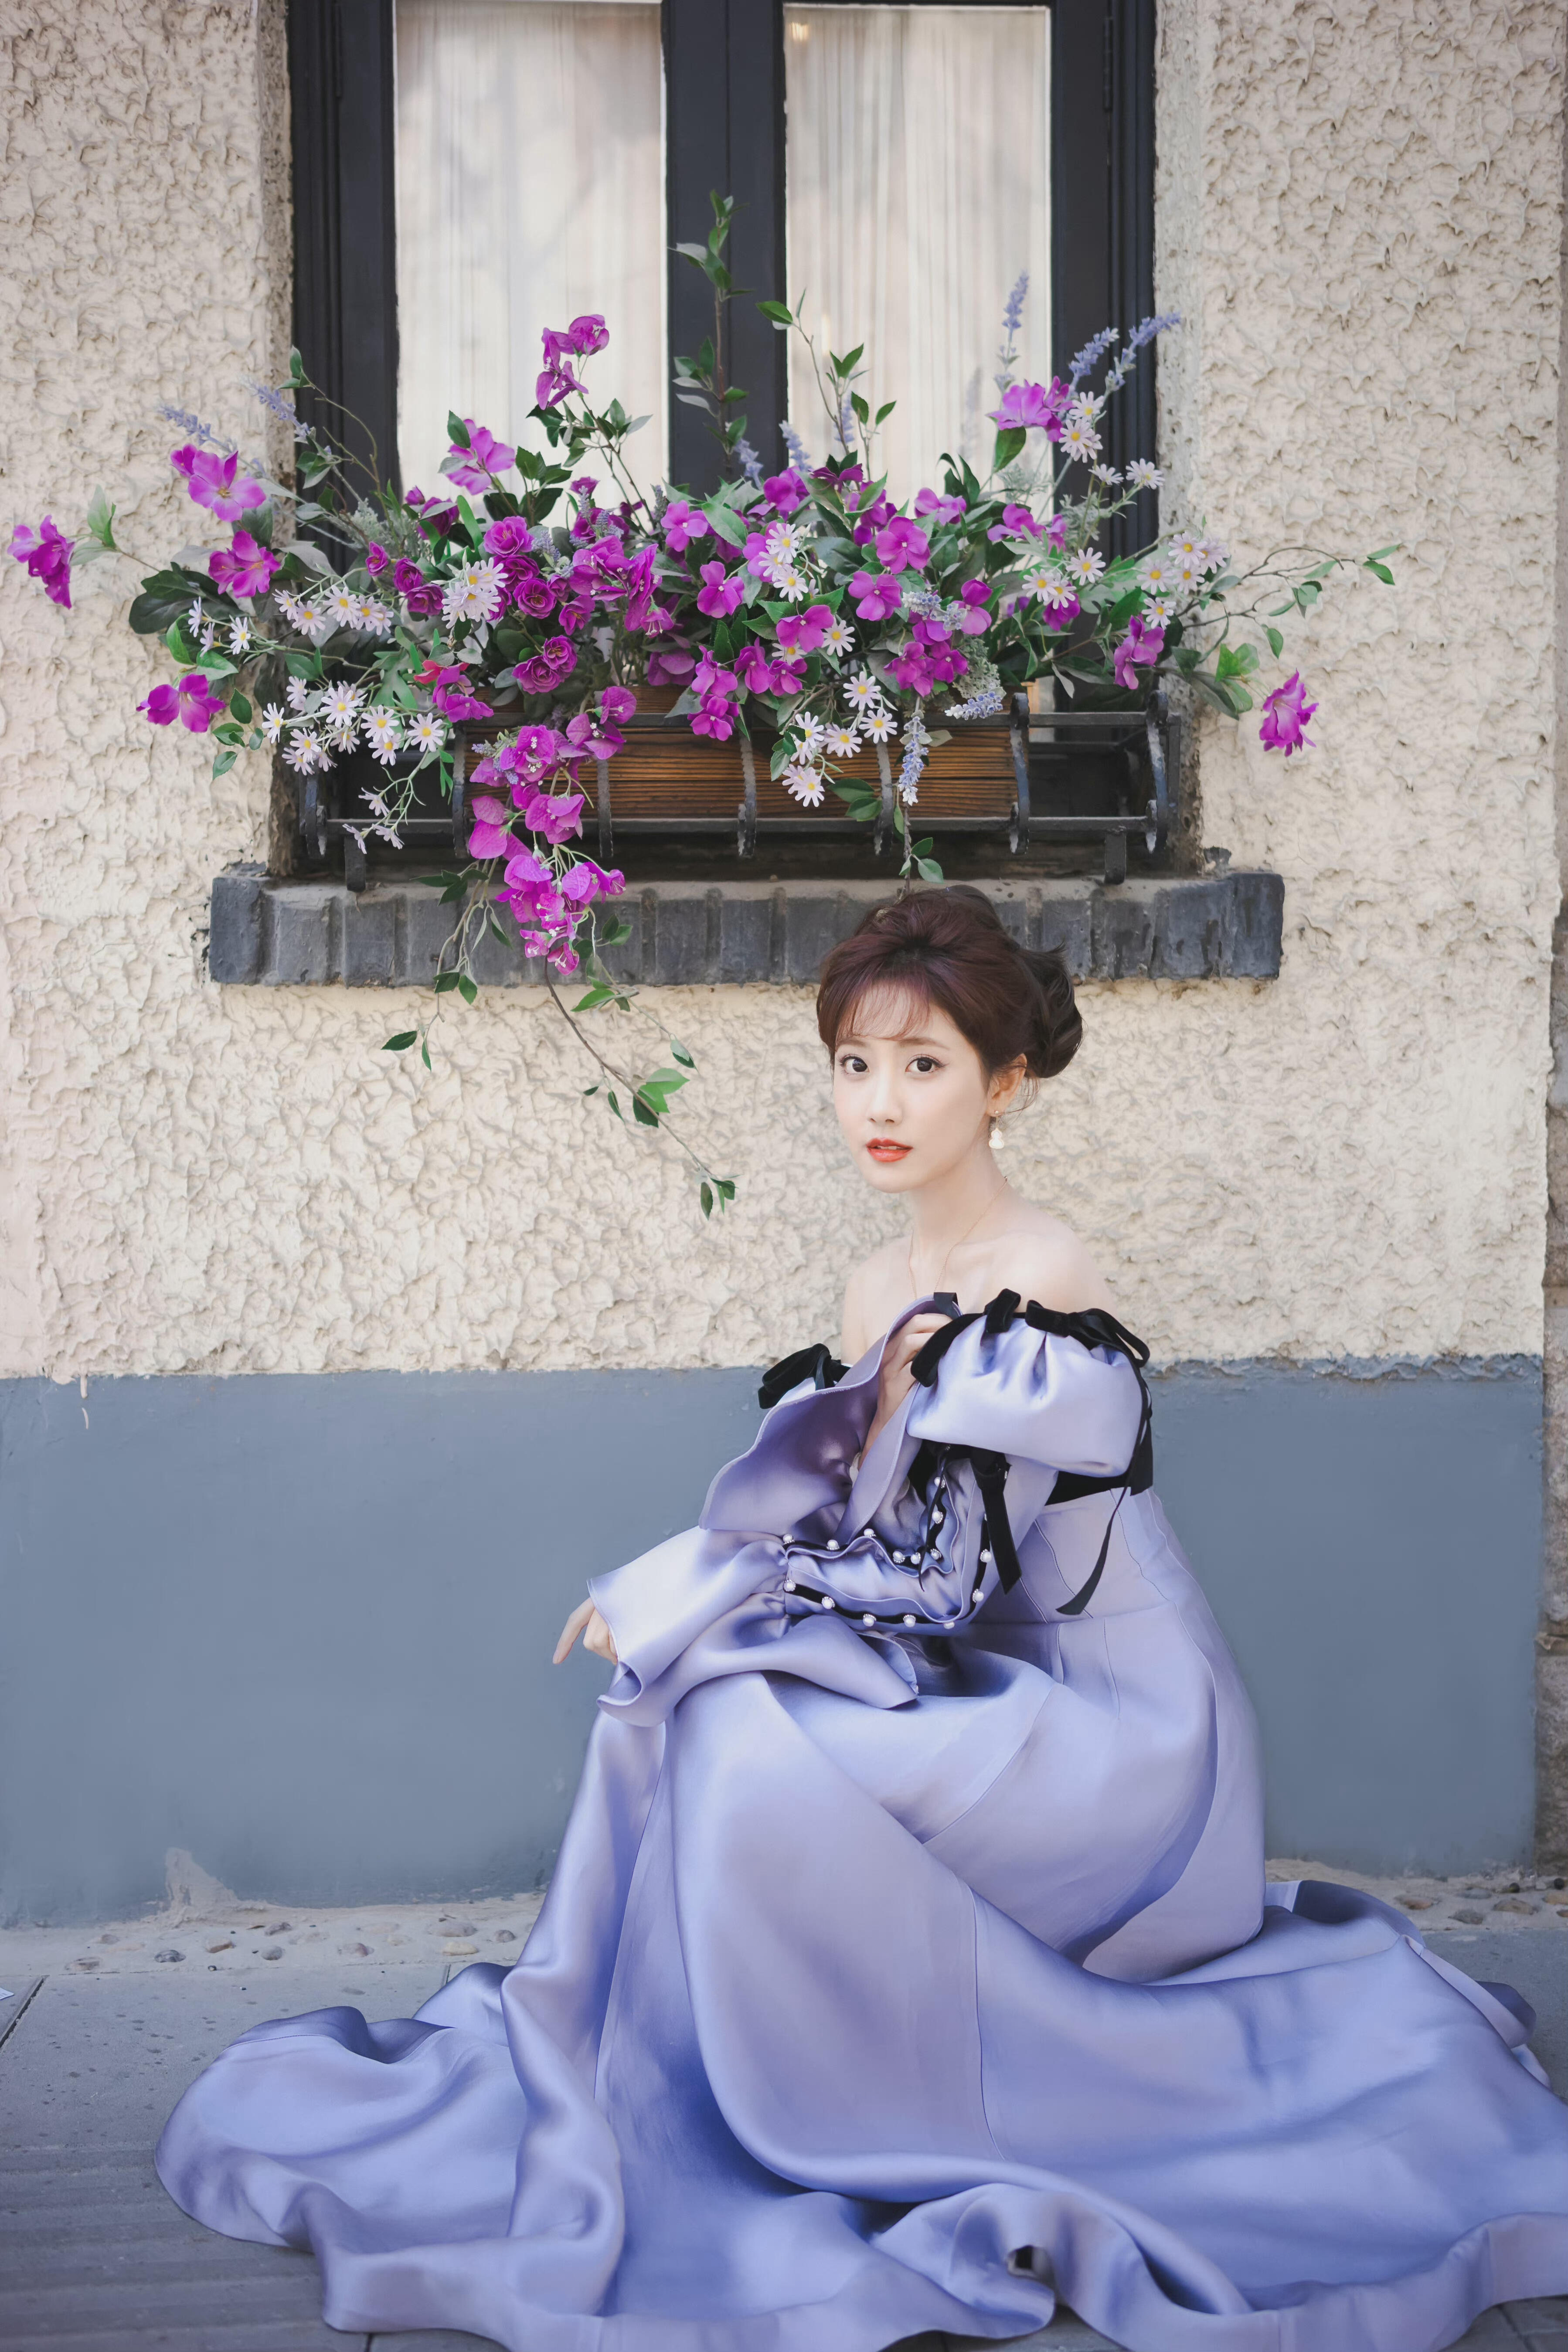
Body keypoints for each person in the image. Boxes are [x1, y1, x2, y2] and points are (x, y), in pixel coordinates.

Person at [157, 886, 1568, 2352]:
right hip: (981, 1690)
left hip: (1127, 1733)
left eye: (924, 1064)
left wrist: (687, 1595)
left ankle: (827, 2098)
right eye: (853, 1064)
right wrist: (701, 1604)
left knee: (731, 1714)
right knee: (716, 1711)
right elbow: (843, 1539)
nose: (879, 1103)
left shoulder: (1042, 1276)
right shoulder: (873, 1289)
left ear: (1004, 1083)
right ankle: (733, 2085)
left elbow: (944, 1577)